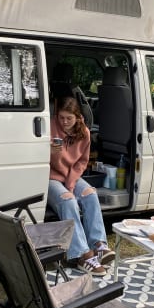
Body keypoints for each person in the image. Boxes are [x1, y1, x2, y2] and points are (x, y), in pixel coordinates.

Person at [48, 96, 114, 276]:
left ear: (77, 117)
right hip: (50, 176)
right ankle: (82, 255)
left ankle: (99, 245)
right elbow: (37, 158)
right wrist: (48, 151)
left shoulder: (84, 132)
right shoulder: (49, 126)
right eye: (61, 117)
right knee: (68, 201)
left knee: (90, 195)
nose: (64, 122)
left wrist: (70, 182)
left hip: (71, 175)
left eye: (69, 118)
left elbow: (81, 163)